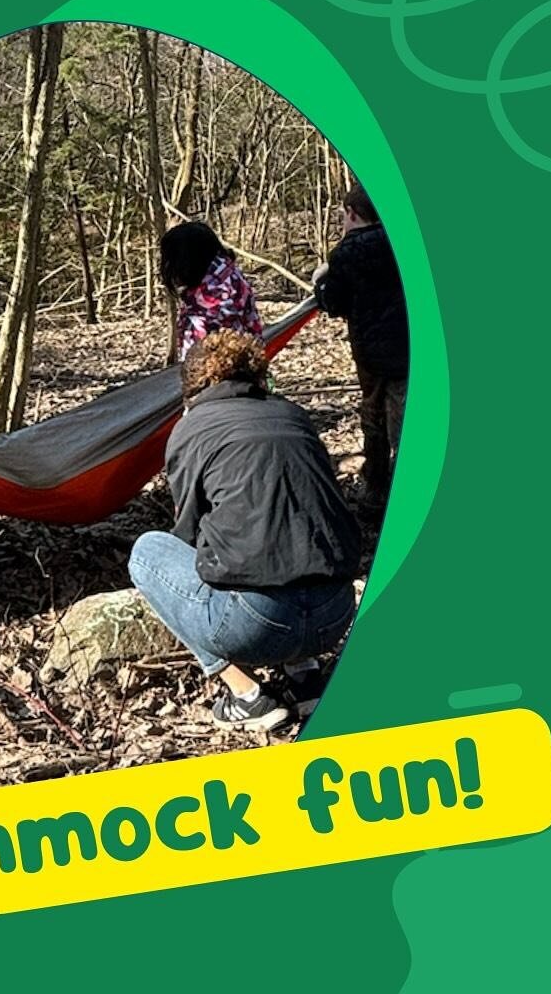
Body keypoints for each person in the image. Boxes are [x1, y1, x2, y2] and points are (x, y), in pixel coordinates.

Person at [128, 330, 361, 732]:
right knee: (289, 539)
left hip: (256, 624)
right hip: (335, 613)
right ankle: (306, 678)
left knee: (147, 551)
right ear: (257, 375)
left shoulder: (192, 428)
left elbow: (187, 532)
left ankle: (246, 697)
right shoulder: (293, 415)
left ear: (194, 386)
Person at [313, 183, 409, 518]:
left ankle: (376, 493)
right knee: (403, 419)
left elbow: (334, 302)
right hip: (409, 350)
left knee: (374, 419)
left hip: (370, 355)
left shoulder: (346, 253)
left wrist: (321, 283)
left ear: (352, 214)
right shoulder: (406, 243)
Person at [160, 221, 262, 358]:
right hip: (248, 365)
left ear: (186, 260)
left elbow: (197, 363)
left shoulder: (206, 302)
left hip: (219, 373)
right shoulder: (230, 274)